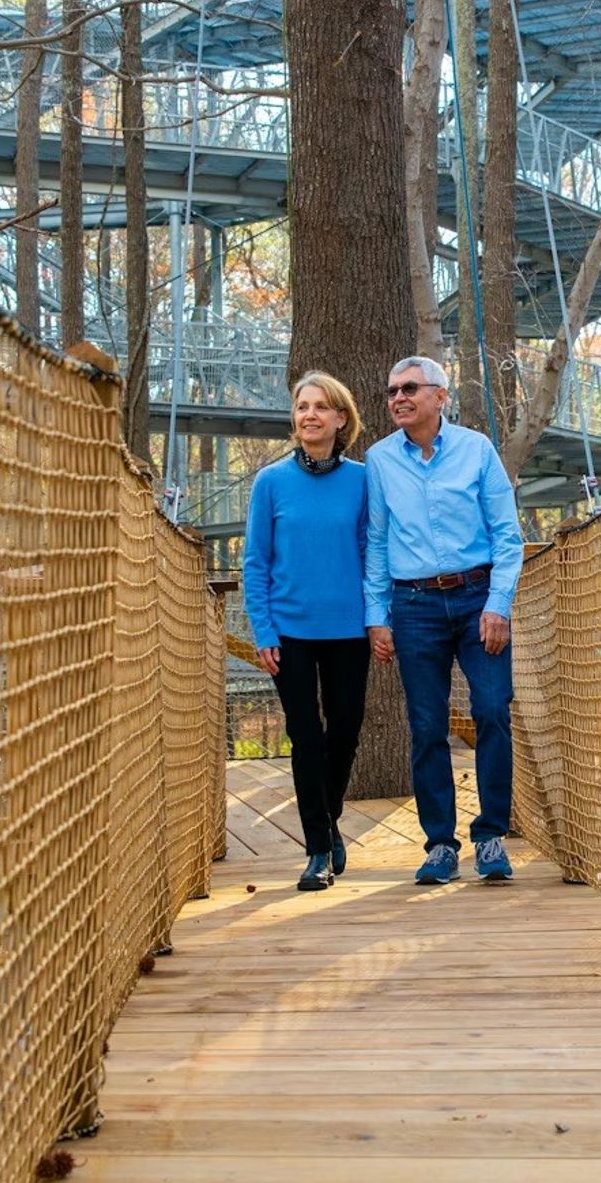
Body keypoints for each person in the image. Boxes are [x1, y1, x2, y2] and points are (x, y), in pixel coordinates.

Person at [364, 355, 523, 885]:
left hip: (479, 598)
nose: (398, 399)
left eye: (409, 388)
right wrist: (376, 617)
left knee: (492, 709)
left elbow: (506, 534)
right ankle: (439, 844)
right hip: (413, 607)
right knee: (428, 725)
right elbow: (378, 542)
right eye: (391, 391)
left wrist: (498, 603)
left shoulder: (477, 450)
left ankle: (491, 836)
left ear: (440, 396)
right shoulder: (381, 460)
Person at [243, 372, 370, 892]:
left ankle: (329, 817)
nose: (310, 415)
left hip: (349, 628)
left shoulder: (363, 480)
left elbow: (372, 553)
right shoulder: (269, 482)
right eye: (302, 406)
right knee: (306, 738)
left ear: (341, 419)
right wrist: (263, 629)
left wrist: (377, 618)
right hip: (289, 631)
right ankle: (317, 847)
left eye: (321, 407)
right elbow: (255, 563)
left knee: (344, 733)